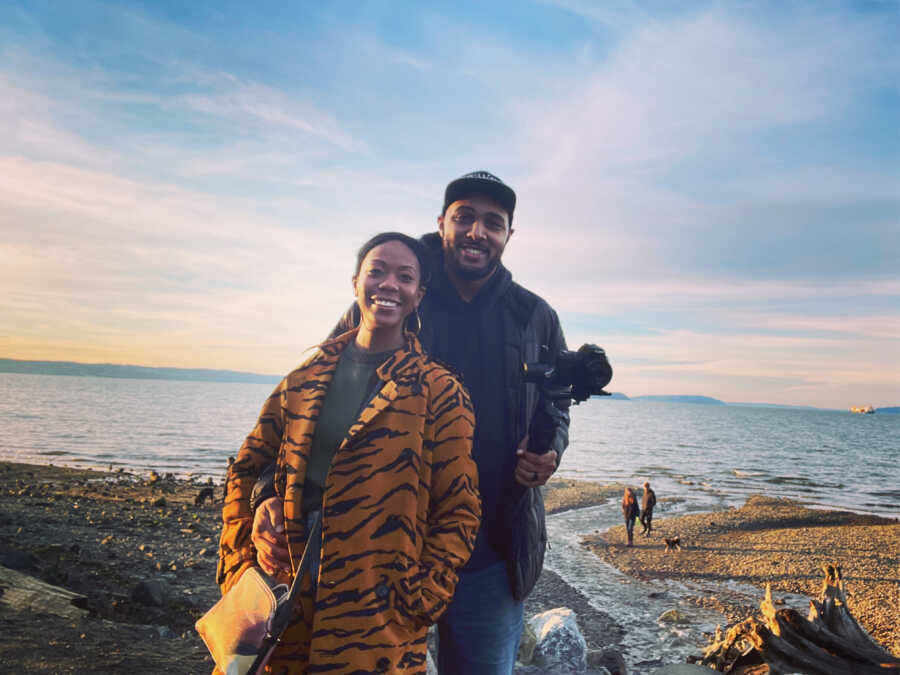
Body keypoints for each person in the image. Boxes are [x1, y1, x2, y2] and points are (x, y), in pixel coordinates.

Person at [252, 171, 570, 673]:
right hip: (375, 551)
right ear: (441, 222)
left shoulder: (535, 316)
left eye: (493, 222)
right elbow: (312, 404)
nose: (477, 232)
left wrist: (550, 452)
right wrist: (267, 490)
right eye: (464, 217)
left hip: (492, 548)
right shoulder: (394, 291)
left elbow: (557, 400)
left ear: (509, 235)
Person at [216, 232, 481, 673]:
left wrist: (423, 597)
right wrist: (246, 554)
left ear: (419, 296)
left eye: (405, 276)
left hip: (376, 611)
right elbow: (249, 466)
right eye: (377, 271)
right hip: (283, 589)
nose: (389, 284)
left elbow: (460, 509)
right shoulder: (304, 378)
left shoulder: (440, 391)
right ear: (355, 282)